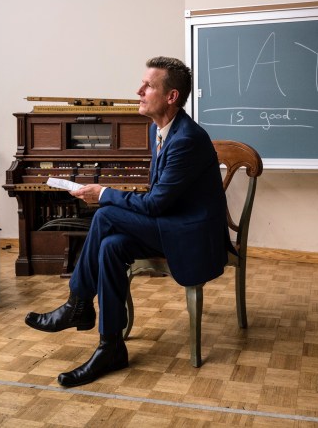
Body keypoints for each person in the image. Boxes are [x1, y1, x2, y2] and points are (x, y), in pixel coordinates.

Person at [25, 56, 231, 387]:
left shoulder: (187, 139)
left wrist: (104, 192)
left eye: (148, 85)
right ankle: (111, 346)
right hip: (169, 224)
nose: (138, 90)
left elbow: (156, 203)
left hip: (191, 237)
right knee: (110, 246)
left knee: (106, 213)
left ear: (171, 96)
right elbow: (157, 201)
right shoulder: (158, 130)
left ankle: (77, 303)